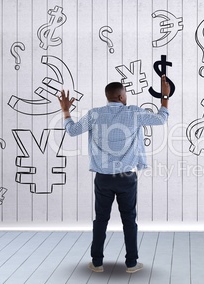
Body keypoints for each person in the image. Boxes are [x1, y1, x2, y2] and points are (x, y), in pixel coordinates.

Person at [58, 75, 170, 273]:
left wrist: (66, 111)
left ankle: (97, 263)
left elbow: (73, 131)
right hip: (127, 177)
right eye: (125, 94)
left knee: (101, 219)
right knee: (129, 220)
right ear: (120, 96)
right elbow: (161, 119)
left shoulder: (94, 114)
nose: (126, 97)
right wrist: (165, 97)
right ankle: (132, 263)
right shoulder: (133, 113)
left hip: (103, 177)